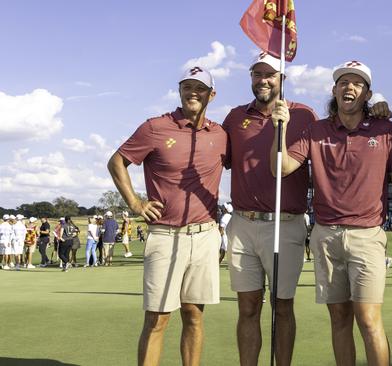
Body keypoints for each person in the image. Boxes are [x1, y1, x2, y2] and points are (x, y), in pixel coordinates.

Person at [273, 60, 392, 366]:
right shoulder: (316, 130)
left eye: (357, 83)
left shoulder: (385, 130)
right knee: (339, 318)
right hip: (326, 236)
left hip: (367, 236)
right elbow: (281, 167)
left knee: (368, 319)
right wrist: (280, 128)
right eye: (343, 82)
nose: (348, 87)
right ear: (334, 90)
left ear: (367, 94)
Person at [107, 65, 227, 366]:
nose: (193, 93)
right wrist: (136, 203)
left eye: (200, 88)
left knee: (194, 315)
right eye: (187, 87)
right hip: (165, 234)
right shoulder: (155, 127)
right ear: (180, 91)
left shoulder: (220, 134)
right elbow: (117, 161)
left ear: (211, 95)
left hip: (204, 235)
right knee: (158, 318)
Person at [221, 52, 318, 366]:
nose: (263, 80)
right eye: (257, 74)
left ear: (282, 79)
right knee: (248, 307)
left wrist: (282, 125)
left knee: (282, 307)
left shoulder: (304, 115)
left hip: (285, 224)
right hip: (243, 223)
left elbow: (288, 166)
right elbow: (215, 160)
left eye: (270, 75)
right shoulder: (236, 117)